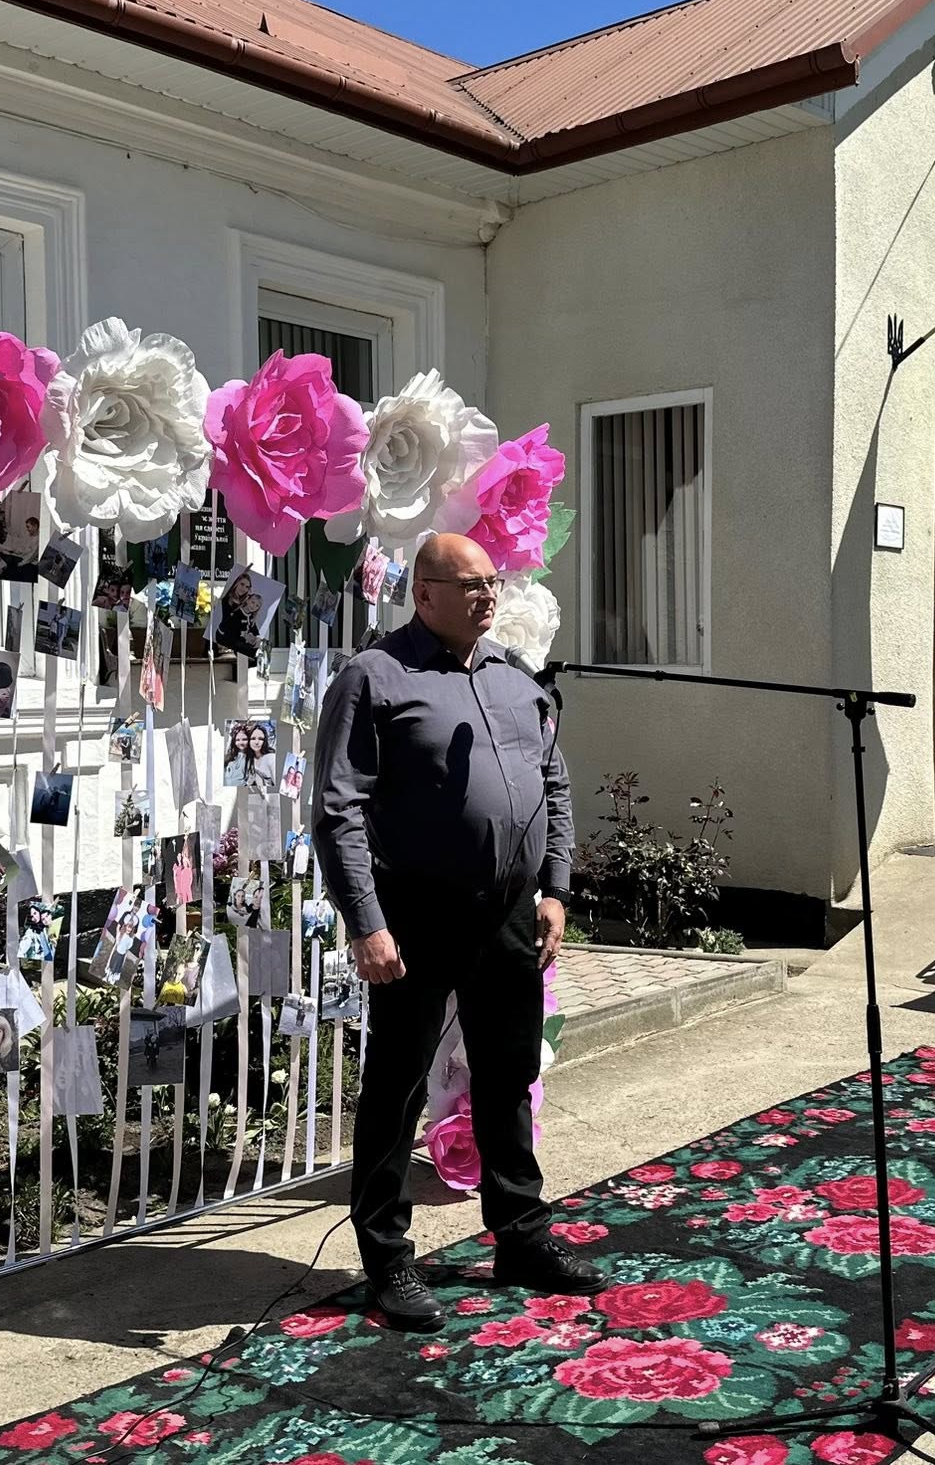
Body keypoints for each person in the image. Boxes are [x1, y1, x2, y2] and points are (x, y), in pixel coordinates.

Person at [313, 532, 593, 1333]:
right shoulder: (375, 677)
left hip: (509, 913)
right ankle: (387, 1258)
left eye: (492, 582)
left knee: (507, 1077)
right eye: (469, 584)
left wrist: (556, 888)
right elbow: (337, 809)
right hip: (416, 912)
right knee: (397, 1086)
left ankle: (520, 1236)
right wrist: (366, 922)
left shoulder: (513, 678)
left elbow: (552, 782)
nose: (487, 596)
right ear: (424, 593)